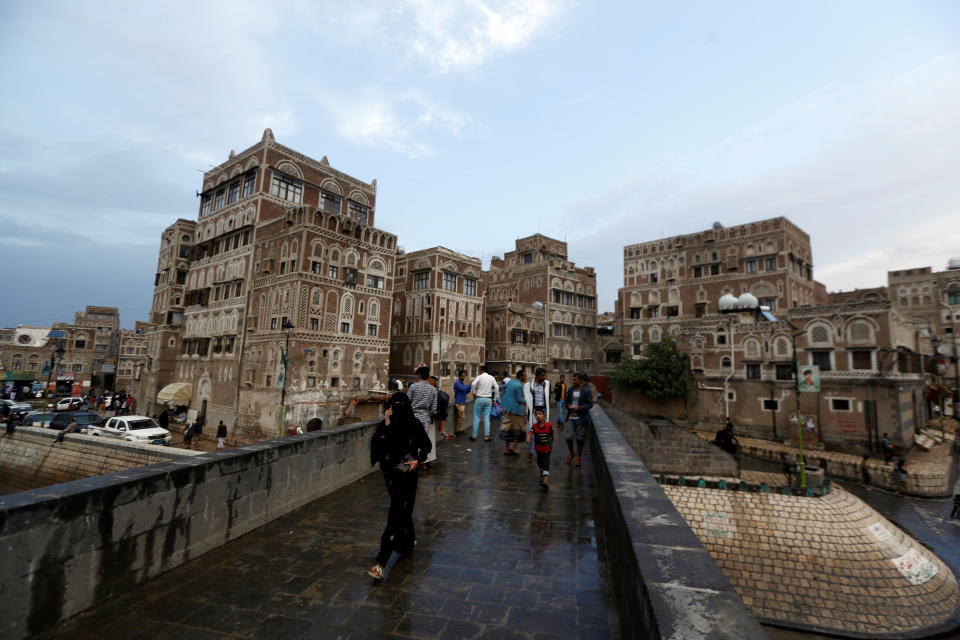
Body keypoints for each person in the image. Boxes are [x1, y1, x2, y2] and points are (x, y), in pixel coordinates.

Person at [368, 392, 432, 581]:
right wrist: (386, 425)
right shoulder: (386, 425)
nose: (397, 408)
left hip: (406, 469)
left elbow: (426, 446)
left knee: (396, 514)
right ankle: (408, 542)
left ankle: (381, 563)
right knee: (403, 510)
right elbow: (377, 446)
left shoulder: (414, 424)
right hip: (390, 473)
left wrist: (417, 461)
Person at [407, 364, 438, 466]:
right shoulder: (433, 390)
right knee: (420, 443)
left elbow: (406, 402)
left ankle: (406, 466)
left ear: (419, 375)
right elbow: (433, 410)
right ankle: (417, 464)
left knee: (410, 444)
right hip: (424, 420)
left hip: (411, 419)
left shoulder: (413, 387)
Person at [564, 373, 594, 467]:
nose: (574, 381)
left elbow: (590, 404)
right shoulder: (571, 389)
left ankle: (578, 458)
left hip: (581, 418)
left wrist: (579, 408)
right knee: (568, 437)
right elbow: (566, 402)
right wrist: (568, 405)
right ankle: (571, 453)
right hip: (571, 417)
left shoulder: (586, 391)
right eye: (573, 379)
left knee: (580, 439)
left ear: (581, 381)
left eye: (575, 379)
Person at [523, 368, 551, 458]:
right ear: (538, 376)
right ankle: (531, 450)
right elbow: (527, 397)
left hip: (543, 411)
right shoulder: (529, 385)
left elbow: (548, 397)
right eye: (542, 375)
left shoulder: (547, 384)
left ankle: (541, 450)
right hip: (534, 411)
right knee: (532, 430)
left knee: (542, 431)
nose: (544, 377)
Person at [499, 370, 527, 456]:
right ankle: (513, 447)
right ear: (521, 377)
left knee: (508, 429)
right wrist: (528, 399)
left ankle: (507, 448)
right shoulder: (519, 386)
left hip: (508, 409)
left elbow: (502, 387)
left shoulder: (511, 382)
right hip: (516, 410)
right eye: (525, 376)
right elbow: (519, 399)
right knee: (521, 429)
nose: (526, 378)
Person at [469, 365, 499, 442]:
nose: (479, 371)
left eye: (479, 370)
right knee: (486, 418)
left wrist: (473, 393)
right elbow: (497, 387)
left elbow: (473, 384)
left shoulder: (479, 377)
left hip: (479, 398)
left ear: (481, 371)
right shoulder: (491, 378)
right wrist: (495, 399)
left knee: (476, 417)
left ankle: (474, 436)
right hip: (488, 399)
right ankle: (486, 437)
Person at [530, 408, 553, 491]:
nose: (538, 416)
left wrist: (550, 444)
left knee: (546, 462)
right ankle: (542, 476)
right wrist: (528, 438)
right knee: (540, 462)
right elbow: (531, 432)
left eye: (540, 414)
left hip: (547, 447)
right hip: (538, 449)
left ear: (544, 415)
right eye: (536, 414)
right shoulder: (534, 426)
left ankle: (546, 480)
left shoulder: (549, 425)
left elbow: (551, 435)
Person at [428, 376, 451, 440]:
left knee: (440, 411)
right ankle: (442, 429)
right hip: (442, 402)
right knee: (442, 412)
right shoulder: (442, 393)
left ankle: (441, 429)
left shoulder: (431, 385)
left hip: (440, 402)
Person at [452, 370, 472, 436]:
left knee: (462, 417)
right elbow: (463, 389)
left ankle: (459, 429)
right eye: (462, 376)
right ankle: (458, 431)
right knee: (461, 417)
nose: (463, 377)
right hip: (459, 402)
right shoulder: (457, 383)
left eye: (464, 376)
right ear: (459, 376)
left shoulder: (462, 383)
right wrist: (470, 385)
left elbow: (465, 391)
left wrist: (469, 388)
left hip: (462, 402)